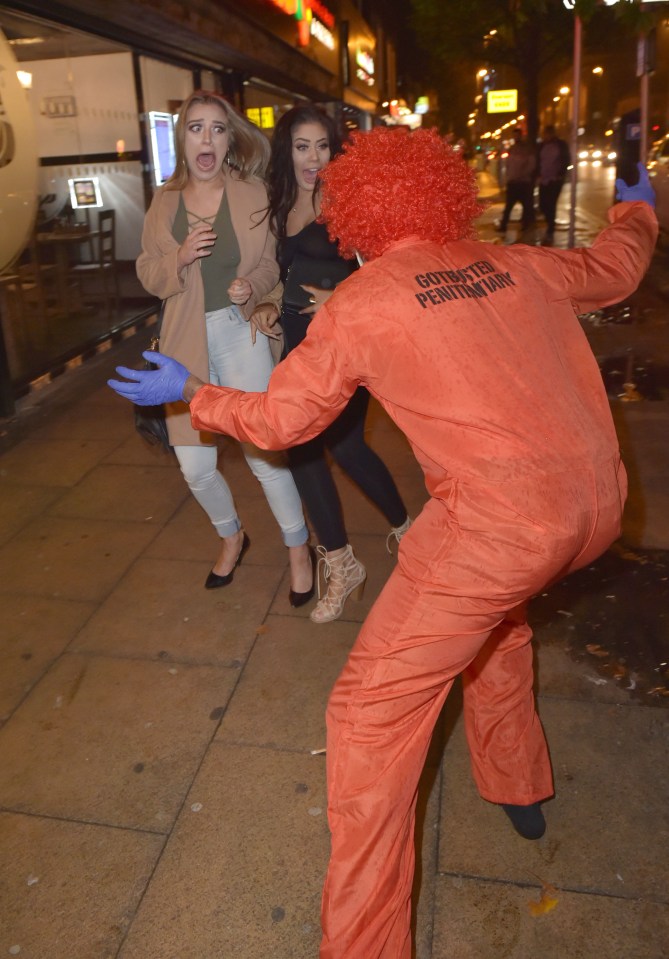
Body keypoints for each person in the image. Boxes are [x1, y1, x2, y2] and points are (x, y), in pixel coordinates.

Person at [110, 134, 657, 958]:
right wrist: (637, 206)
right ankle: (518, 787)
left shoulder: (362, 302)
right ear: (444, 201)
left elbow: (281, 422)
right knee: (493, 623)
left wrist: (191, 391)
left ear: (354, 222)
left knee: (367, 717)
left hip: (500, 529)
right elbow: (617, 264)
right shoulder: (516, 261)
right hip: (595, 506)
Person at [136, 90, 312, 601]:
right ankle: (232, 535)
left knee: (264, 454)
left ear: (229, 137)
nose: (206, 138)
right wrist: (180, 259)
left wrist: (251, 289)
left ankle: (298, 548)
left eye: (216, 128)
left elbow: (270, 264)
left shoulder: (252, 192)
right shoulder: (164, 202)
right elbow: (148, 271)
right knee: (195, 464)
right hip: (184, 342)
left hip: (241, 332)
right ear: (183, 139)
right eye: (196, 128)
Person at [250, 104, 411, 624]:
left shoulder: (347, 200)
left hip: (344, 338)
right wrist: (269, 301)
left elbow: (386, 267)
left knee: (345, 444)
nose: (313, 157)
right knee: (301, 451)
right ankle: (341, 562)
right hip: (298, 343)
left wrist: (337, 297)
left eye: (321, 146)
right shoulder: (279, 202)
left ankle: (409, 531)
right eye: (302, 146)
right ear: (288, 150)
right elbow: (285, 269)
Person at [497, 127, 536, 234]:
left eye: (517, 135)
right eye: (514, 135)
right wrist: (508, 179)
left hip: (523, 182)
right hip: (513, 182)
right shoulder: (512, 149)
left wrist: (524, 174)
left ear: (521, 135)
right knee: (509, 206)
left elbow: (531, 164)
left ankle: (525, 224)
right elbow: (508, 165)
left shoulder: (527, 149)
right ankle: (504, 225)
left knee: (526, 205)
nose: (515, 137)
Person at [537, 123, 571, 244]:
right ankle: (549, 223)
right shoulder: (541, 146)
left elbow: (566, 159)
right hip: (544, 179)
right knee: (542, 205)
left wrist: (561, 174)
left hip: (555, 180)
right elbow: (538, 160)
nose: (545, 136)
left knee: (551, 204)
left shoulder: (561, 145)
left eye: (547, 134)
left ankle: (550, 231)